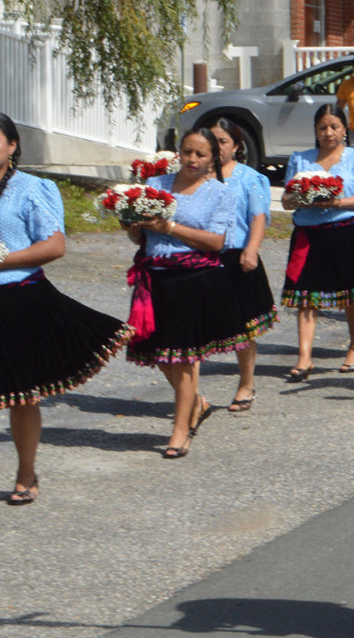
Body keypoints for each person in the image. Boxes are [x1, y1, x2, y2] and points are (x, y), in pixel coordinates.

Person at [0, 114, 131, 503]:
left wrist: (2, 260)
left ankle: (26, 472)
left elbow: (54, 246)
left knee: (22, 395)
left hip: (19, 301)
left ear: (12, 146)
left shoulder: (32, 188)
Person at [124, 128, 244, 458]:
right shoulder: (156, 185)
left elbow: (217, 242)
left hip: (193, 280)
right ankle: (196, 402)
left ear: (212, 159)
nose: (191, 160)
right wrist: (134, 224)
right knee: (159, 354)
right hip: (154, 279)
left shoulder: (221, 193)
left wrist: (170, 228)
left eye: (200, 155)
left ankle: (180, 431)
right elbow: (140, 239)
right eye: (186, 152)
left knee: (185, 356)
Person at [280, 105, 354, 381]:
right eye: (323, 127)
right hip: (309, 236)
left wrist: (334, 201)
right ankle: (304, 358)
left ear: (344, 130)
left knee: (352, 296)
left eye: (334, 127)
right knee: (306, 299)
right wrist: (302, 198)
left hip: (349, 232)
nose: (328, 133)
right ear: (315, 130)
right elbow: (286, 201)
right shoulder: (300, 160)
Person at [210, 118, 278, 412]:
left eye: (223, 141)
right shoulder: (196, 177)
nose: (217, 148)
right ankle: (189, 395)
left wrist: (251, 249)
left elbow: (258, 217)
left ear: (236, 146)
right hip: (203, 258)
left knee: (243, 329)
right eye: (211, 141)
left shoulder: (250, 178)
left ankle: (246, 383)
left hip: (237, 256)